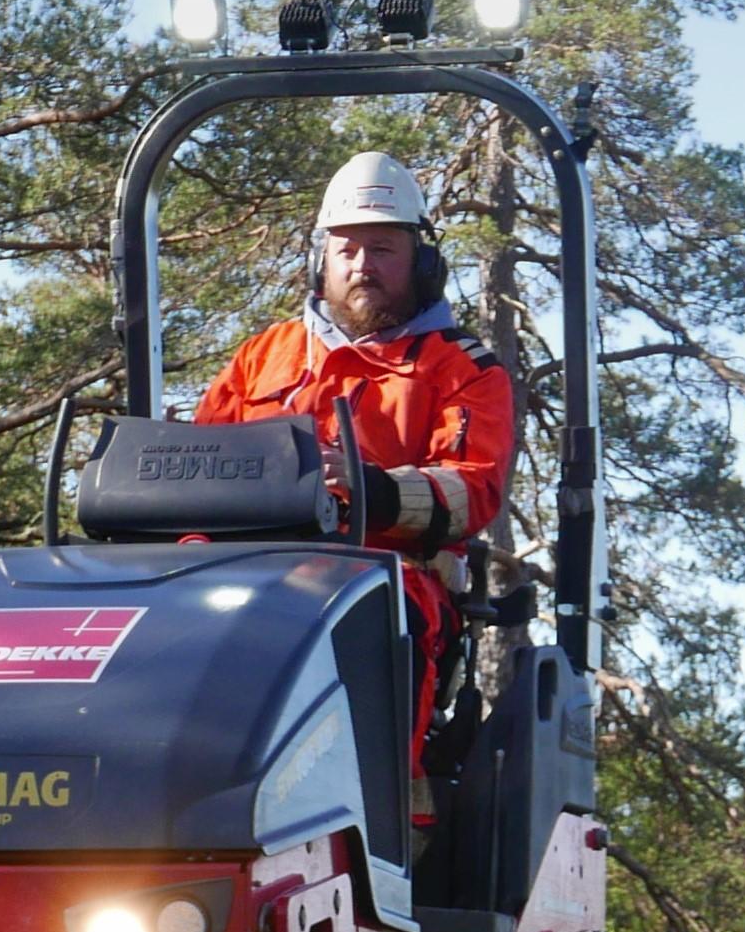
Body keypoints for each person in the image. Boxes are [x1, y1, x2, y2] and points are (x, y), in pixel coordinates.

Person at [193, 151, 517, 775]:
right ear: (322, 262)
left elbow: (472, 489)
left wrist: (370, 489)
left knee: (373, 637)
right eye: (347, 250)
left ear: (422, 263)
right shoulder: (263, 355)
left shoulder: (461, 369)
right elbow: (199, 458)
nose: (362, 266)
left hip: (385, 580)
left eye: (382, 249)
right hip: (239, 576)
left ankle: (388, 830)